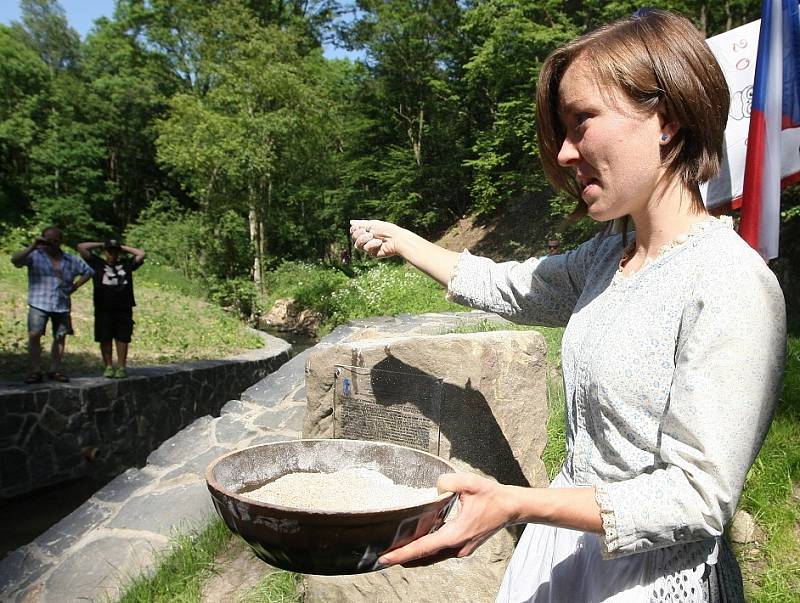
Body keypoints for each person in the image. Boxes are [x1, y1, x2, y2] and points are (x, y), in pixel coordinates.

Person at [350, 9, 786, 602]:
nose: (562, 153)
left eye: (582, 123)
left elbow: (698, 496)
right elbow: (510, 287)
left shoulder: (730, 282)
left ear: (668, 119)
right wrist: (405, 242)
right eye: (561, 131)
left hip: (652, 579)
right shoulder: (609, 257)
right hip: (567, 551)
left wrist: (516, 504)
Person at [10, 226, 94, 384]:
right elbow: (15, 261)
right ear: (43, 239)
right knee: (34, 335)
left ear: (60, 241)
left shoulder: (70, 259)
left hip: (61, 303)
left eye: (56, 240)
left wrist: (75, 286)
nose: (52, 243)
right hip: (39, 302)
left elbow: (89, 271)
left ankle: (54, 369)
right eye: (49, 240)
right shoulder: (34, 255)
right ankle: (35, 370)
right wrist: (33, 246)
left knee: (60, 336)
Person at [77, 239, 145, 378]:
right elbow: (81, 247)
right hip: (103, 306)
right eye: (109, 251)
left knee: (123, 338)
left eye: (115, 251)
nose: (112, 254)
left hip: (124, 306)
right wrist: (102, 244)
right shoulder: (97, 263)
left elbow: (141, 254)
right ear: (104, 252)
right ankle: (108, 366)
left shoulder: (126, 265)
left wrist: (121, 247)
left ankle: (121, 366)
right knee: (105, 337)